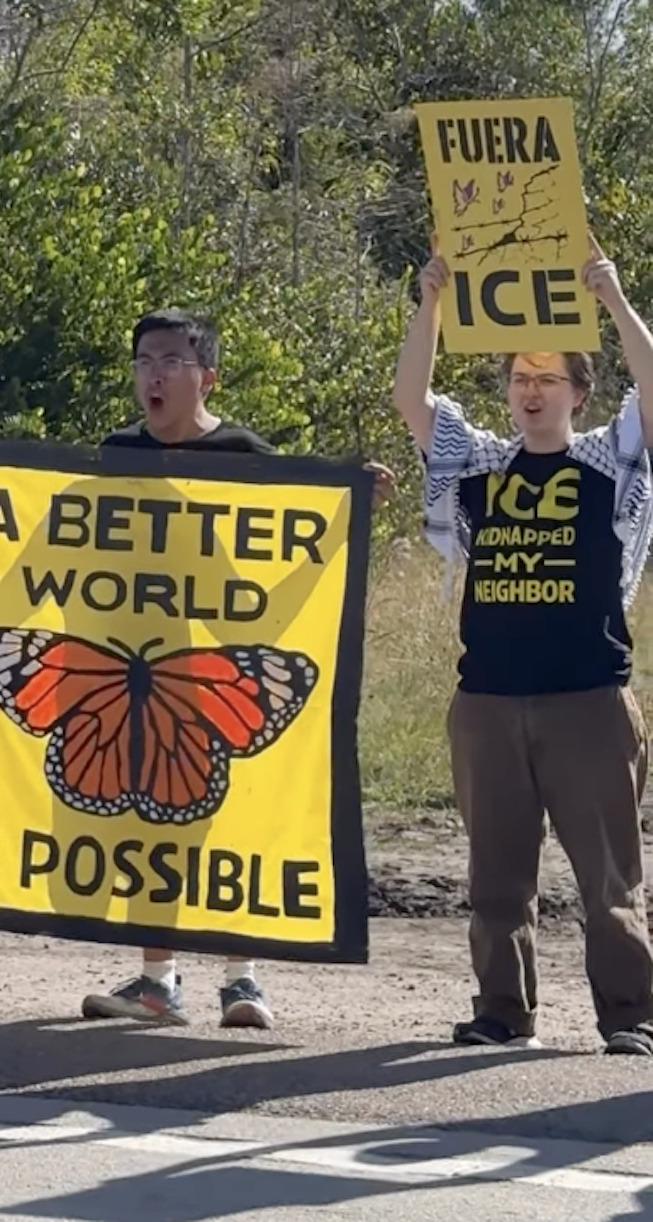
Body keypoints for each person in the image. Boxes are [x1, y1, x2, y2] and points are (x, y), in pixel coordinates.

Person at [69, 309, 393, 1030]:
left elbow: (298, 526)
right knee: (148, 820)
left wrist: (353, 495)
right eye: (143, 361)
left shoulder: (243, 451)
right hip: (135, 666)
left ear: (207, 376)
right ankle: (157, 983)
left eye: (170, 361)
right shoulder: (117, 452)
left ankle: (241, 981)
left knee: (228, 818)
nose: (153, 375)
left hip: (220, 668)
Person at [392, 236, 653, 1055]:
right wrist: (432, 302)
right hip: (489, 700)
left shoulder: (608, 462)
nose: (530, 392)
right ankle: (502, 1011)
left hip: (588, 698)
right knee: (496, 876)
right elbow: (411, 398)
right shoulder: (478, 462)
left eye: (547, 379)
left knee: (609, 879)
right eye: (518, 379)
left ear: (579, 391)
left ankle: (632, 1015)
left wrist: (612, 299)